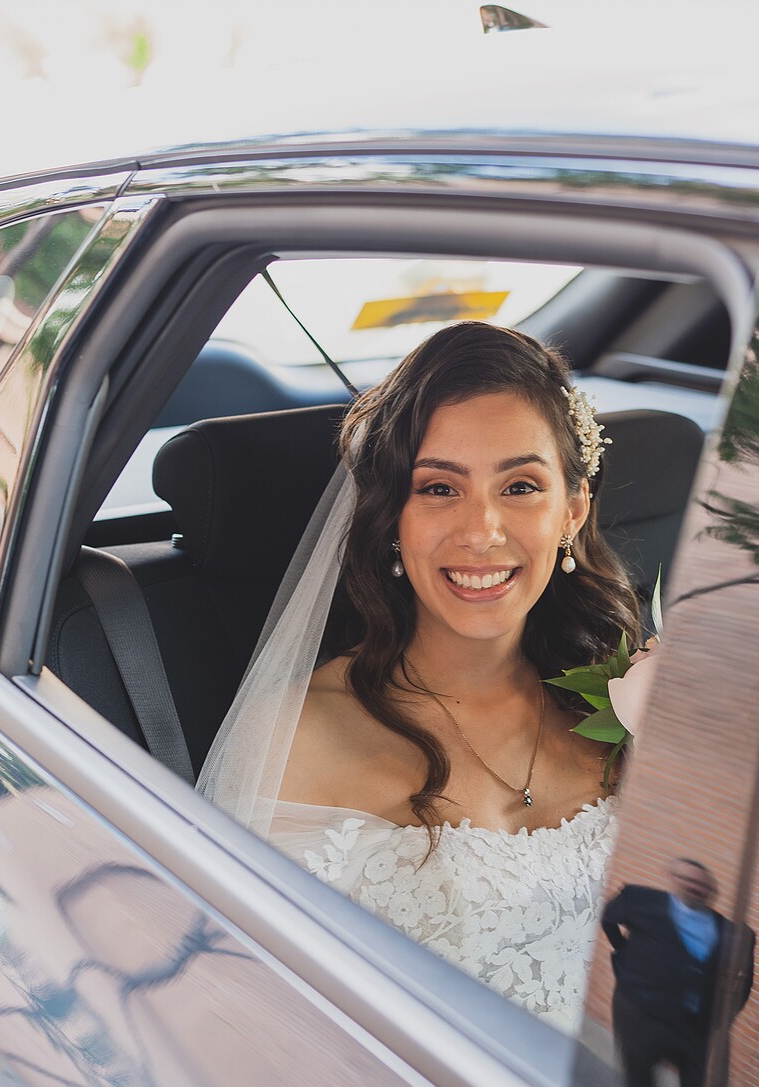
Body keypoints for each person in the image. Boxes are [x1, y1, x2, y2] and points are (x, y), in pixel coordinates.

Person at [198, 322, 640, 1033]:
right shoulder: (296, 738)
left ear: (572, 511)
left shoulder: (628, 699)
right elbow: (248, 1015)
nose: (482, 531)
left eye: (520, 486)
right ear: (392, 520)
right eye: (439, 488)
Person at [601, 857, 755, 1087]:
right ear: (673, 880)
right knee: (637, 1065)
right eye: (689, 880)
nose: (695, 887)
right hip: (642, 1009)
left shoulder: (735, 933)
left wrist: (724, 1018)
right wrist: (626, 955)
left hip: (696, 1022)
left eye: (702, 885)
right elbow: (608, 919)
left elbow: (744, 980)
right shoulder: (639, 900)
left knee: (695, 1085)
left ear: (712, 891)